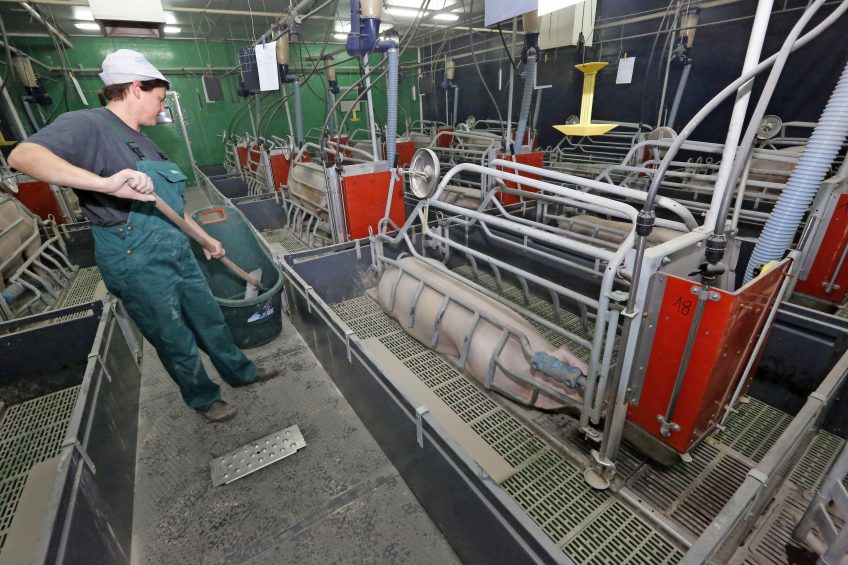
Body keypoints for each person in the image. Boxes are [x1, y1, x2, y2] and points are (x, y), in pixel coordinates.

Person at [9, 49, 278, 423]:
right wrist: (105, 184)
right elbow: (23, 156)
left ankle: (240, 372)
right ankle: (203, 397)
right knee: (172, 335)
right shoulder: (89, 124)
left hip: (175, 245)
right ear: (136, 88)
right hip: (133, 253)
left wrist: (203, 238)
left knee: (209, 318)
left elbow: (171, 203)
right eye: (159, 97)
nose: (161, 107)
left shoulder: (146, 142)